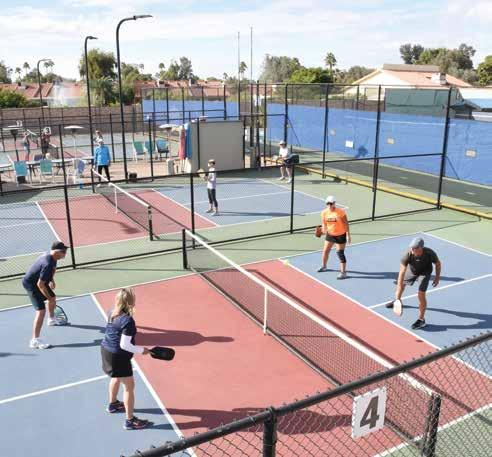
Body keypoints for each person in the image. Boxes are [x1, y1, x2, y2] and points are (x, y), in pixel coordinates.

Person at [101, 288, 153, 430]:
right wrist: (143, 350)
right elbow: (125, 345)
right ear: (131, 302)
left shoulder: (112, 312)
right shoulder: (128, 321)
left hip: (106, 350)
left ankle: (113, 404)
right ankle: (130, 421)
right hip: (118, 356)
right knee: (129, 387)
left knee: (116, 377)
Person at [22, 241, 70, 349]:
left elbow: (51, 270)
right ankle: (35, 340)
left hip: (40, 282)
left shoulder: (53, 257)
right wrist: (49, 299)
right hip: (31, 284)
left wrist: (51, 280)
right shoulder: (47, 263)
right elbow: (40, 284)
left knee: (53, 298)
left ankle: (51, 319)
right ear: (57, 252)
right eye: (63, 251)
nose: (65, 254)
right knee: (41, 311)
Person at [387, 237, 441, 330]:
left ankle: (421, 320)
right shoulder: (408, 254)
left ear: (420, 248)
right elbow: (401, 273)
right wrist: (397, 298)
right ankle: (397, 300)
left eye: (414, 248)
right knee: (401, 285)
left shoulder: (429, 253)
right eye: (411, 247)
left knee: (421, 294)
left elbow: (438, 264)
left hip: (425, 273)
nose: (412, 249)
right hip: (412, 270)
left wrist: (437, 277)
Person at [318, 196, 351, 279]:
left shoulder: (340, 212)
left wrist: (348, 235)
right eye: (328, 203)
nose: (329, 205)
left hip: (340, 235)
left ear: (334, 203)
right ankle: (324, 266)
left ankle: (343, 273)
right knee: (325, 251)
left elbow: (346, 224)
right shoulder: (324, 213)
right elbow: (324, 224)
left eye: (331, 203)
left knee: (340, 253)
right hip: (330, 235)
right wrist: (323, 230)